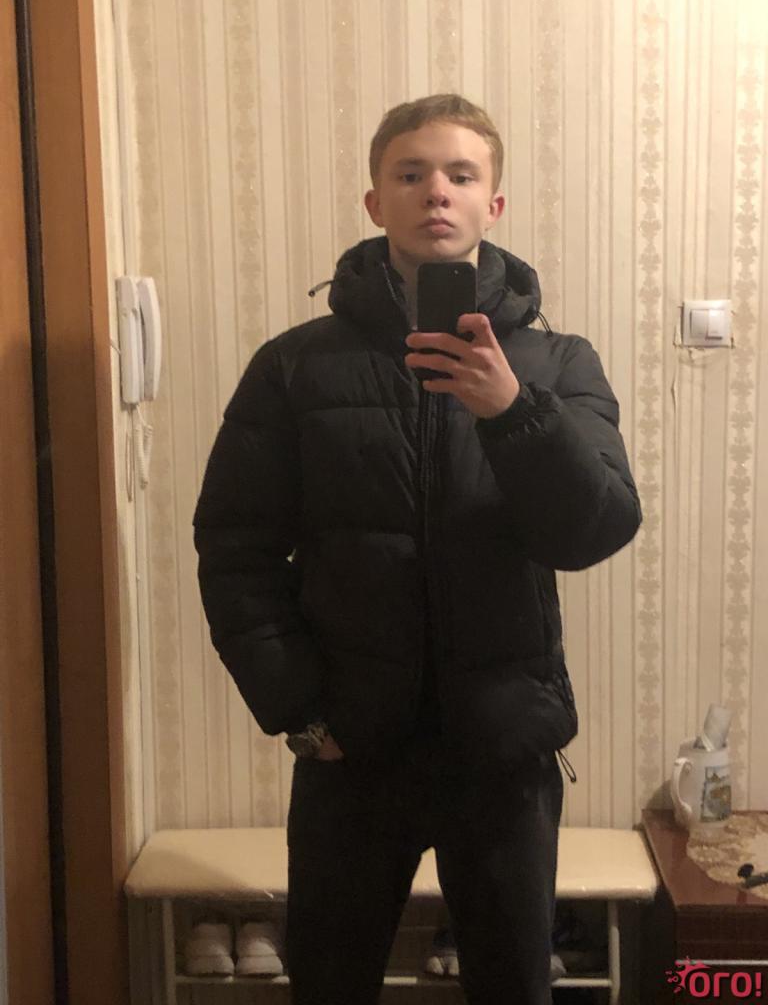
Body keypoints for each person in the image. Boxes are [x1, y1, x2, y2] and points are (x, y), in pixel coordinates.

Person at [193, 93, 641, 1005]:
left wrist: (514, 413)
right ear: (375, 201)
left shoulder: (558, 365)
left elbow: (594, 530)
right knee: (330, 984)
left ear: (493, 204)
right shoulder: (294, 366)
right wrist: (298, 711)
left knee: (513, 987)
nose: (436, 191)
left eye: (460, 174)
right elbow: (235, 548)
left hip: (505, 750)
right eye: (411, 173)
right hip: (351, 750)